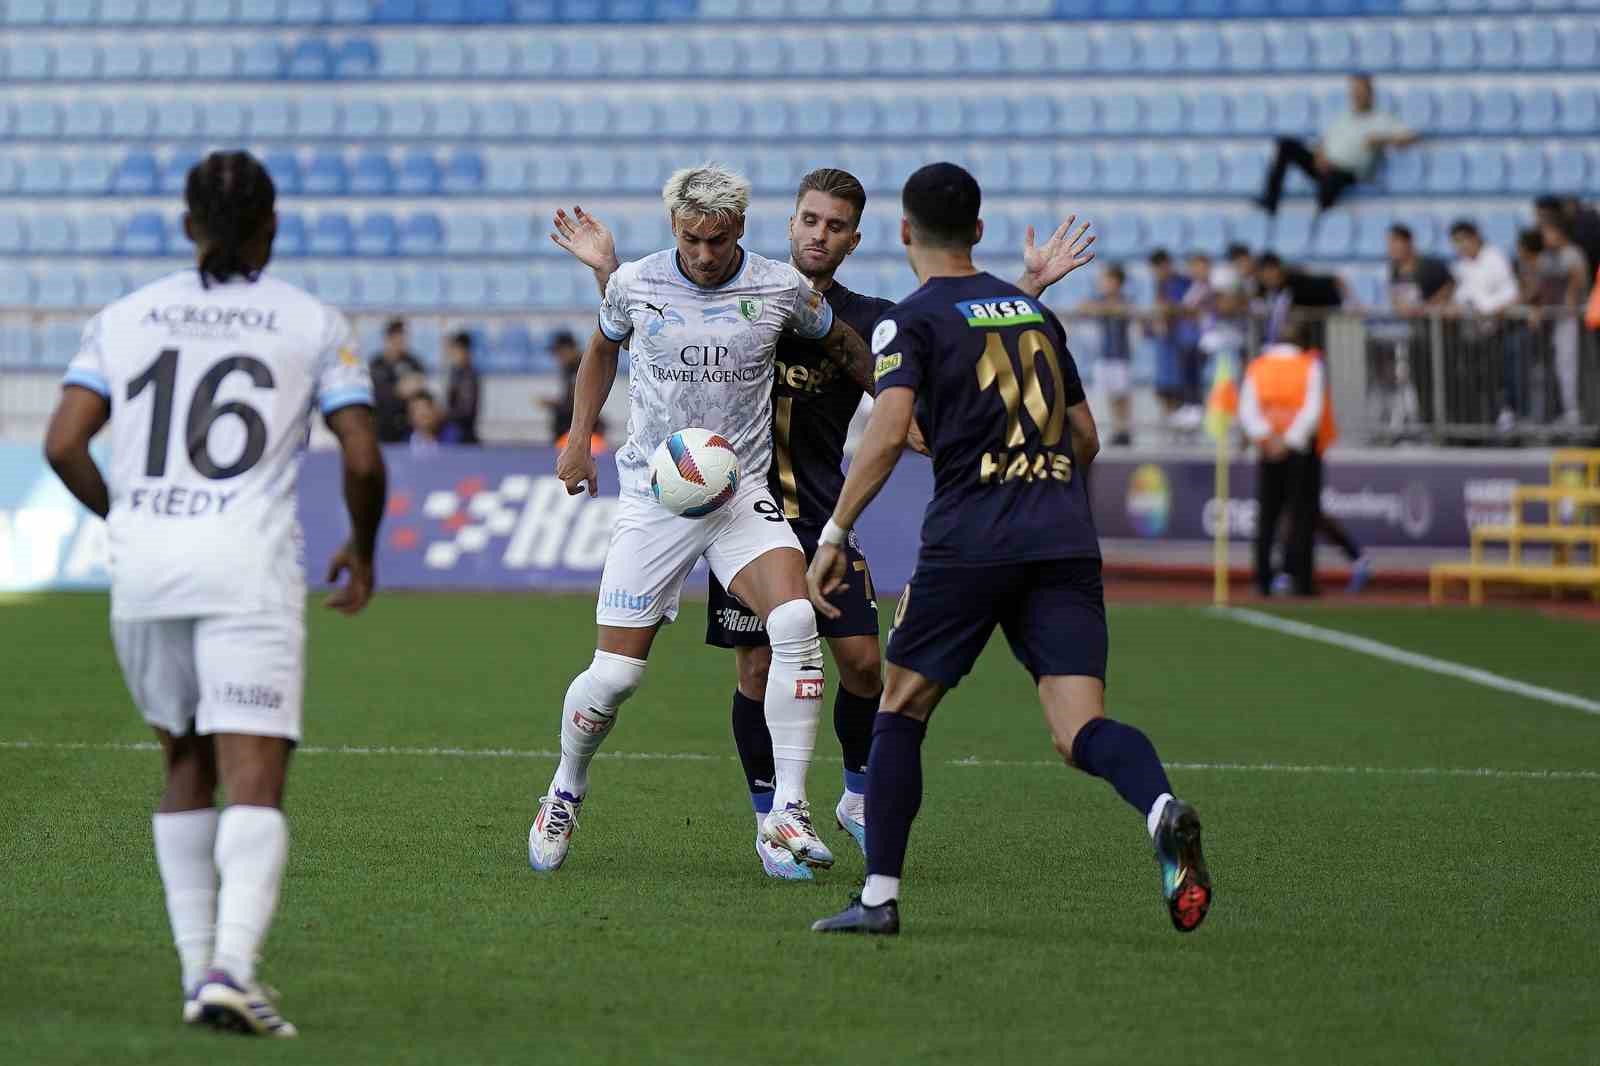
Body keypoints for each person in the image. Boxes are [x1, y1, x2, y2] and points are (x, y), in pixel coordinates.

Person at [550, 174, 1095, 879]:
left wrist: (1025, 293)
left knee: (860, 661)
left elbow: (940, 340)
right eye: (810, 219)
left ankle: (824, 804)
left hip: (802, 506)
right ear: (789, 224)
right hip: (693, 494)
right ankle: (730, 809)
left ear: (855, 238)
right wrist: (607, 277)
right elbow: (646, 323)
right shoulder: (734, 288)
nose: (819, 233)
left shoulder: (842, 311)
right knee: (702, 671)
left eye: (835, 225)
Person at [805, 162, 1211, 937]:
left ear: (899, 232)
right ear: (981, 232)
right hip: (1062, 539)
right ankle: (1160, 807)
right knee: (1079, 730)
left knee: (900, 708)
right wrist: (1039, 486)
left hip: (970, 541)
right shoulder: (1033, 315)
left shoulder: (908, 320)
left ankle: (879, 900)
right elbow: (1085, 437)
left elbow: (888, 433)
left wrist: (834, 533)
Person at [41, 150, 386, 1037]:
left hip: (146, 566)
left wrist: (128, 517)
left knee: (183, 763)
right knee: (255, 778)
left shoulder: (123, 317)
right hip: (246, 566)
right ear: (272, 226)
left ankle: (202, 972)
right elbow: (360, 452)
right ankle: (232, 967)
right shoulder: (310, 320)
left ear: (186, 226)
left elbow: (63, 444)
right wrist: (364, 548)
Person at [527, 164, 879, 876]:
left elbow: (838, 338)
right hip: (656, 498)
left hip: (740, 493)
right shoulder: (636, 283)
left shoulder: (780, 288)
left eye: (719, 240)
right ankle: (565, 785)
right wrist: (576, 440)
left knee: (792, 623)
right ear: (675, 229)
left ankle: (787, 812)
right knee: (615, 678)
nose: (706, 254)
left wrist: (897, 399)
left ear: (740, 229)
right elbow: (601, 348)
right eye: (692, 239)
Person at [1239, 319, 1325, 598]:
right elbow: (1313, 409)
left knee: (1267, 516)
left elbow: (1248, 410)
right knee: (1301, 515)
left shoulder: (1259, 366)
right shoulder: (1310, 365)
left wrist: (1268, 438)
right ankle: (1301, 580)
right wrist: (1289, 440)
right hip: (1299, 450)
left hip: (1268, 449)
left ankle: (1262, 579)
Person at [1256, 73, 1418, 217]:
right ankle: (1270, 202)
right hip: (1326, 164)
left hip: (1349, 171)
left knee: (1333, 178)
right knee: (1286, 145)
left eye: (1361, 90)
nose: (1357, 94)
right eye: (1354, 90)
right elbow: (1324, 141)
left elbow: (1409, 137)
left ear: (1370, 93)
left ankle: (1322, 218)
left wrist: (1381, 139)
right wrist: (1320, 154)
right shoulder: (1344, 117)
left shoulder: (1381, 118)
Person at [1449, 220, 1521, 430]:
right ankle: (1480, 422)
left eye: (1464, 240)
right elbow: (1461, 296)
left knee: (1498, 380)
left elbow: (1512, 294)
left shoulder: (1495, 258)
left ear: (1475, 237)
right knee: (1475, 380)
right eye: (1456, 242)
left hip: (1495, 331)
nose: (1461, 246)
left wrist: (1487, 310)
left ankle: (1505, 420)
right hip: (1471, 334)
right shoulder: (1461, 266)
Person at [1534, 215, 1589, 427]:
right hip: (1550, 318)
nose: (1545, 237)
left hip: (1569, 319)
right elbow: (1541, 286)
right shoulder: (1545, 257)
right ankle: (1555, 411)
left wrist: (1570, 299)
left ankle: (1573, 412)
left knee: (1569, 365)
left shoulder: (1572, 253)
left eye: (1548, 232)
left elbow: (1579, 280)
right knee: (1550, 368)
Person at [1080, 263, 1133, 445]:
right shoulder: (1099, 299)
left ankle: (1124, 429)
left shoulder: (1125, 299)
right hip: (1103, 354)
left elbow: (1121, 310)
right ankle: (1117, 429)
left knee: (1121, 395)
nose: (1103, 283)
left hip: (1119, 354)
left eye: (1107, 280)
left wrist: (1104, 308)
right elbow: (1084, 306)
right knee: (1111, 394)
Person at [1146, 249, 1200, 426]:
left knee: (1178, 386)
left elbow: (1187, 307)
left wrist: (1169, 309)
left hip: (1179, 342)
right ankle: (1170, 424)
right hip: (1164, 344)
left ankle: (1183, 425)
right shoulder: (1158, 285)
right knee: (1163, 389)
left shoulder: (1182, 282)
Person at [368, 318, 425, 444]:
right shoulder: (377, 363)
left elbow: (418, 389)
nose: (400, 341)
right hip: (381, 425)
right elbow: (377, 393)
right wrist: (398, 390)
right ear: (388, 338)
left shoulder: (413, 362)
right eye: (397, 337)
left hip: (407, 427)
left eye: (403, 337)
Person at [542, 329, 582, 446]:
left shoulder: (582, 366)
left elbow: (576, 402)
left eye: (558, 352)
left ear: (568, 349)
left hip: (581, 428)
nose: (557, 357)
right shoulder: (568, 368)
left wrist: (553, 404)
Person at [442, 330, 481, 444]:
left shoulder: (468, 375)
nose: (451, 354)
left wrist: (443, 414)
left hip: (462, 435)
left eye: (454, 350)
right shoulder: (455, 373)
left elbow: (466, 411)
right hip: (456, 431)